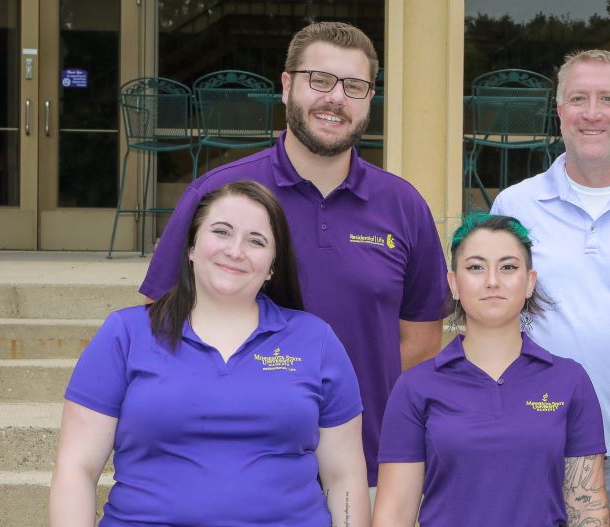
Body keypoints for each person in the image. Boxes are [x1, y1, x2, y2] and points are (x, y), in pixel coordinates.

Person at [138, 21, 450, 487]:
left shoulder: (404, 206)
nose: (336, 98)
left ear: (370, 100)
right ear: (287, 86)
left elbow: (421, 342)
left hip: (366, 468)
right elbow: (161, 319)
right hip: (238, 470)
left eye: (355, 86)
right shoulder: (220, 194)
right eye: (319, 80)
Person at [50, 181, 369, 526]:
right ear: (190, 246)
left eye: (256, 241)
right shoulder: (125, 335)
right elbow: (77, 468)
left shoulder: (315, 340)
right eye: (221, 232)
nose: (235, 250)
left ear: (272, 267)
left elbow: (344, 478)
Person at [491, 49, 610, 498]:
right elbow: (490, 321)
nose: (592, 114)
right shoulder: (514, 207)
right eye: (578, 99)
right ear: (559, 112)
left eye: (608, 100)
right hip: (538, 440)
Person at [373, 214, 609, 527]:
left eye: (508, 267)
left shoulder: (570, 380)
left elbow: (588, 511)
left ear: (530, 282)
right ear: (454, 283)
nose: (492, 280)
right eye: (475, 267)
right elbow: (394, 514)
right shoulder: (415, 387)